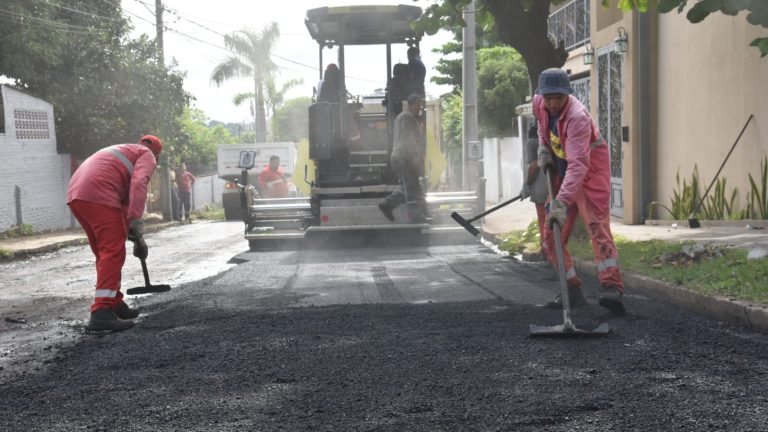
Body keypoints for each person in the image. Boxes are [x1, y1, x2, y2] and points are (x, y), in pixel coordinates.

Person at [533, 68, 625, 315]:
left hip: (590, 170)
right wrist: (543, 148)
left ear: (567, 95)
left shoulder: (577, 118)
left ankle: (611, 286)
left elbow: (579, 165)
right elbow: (542, 126)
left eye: (558, 98)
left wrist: (561, 203)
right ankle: (571, 289)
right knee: (550, 235)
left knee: (596, 225)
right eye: (548, 97)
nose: (552, 103)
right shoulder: (538, 102)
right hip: (566, 172)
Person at [66, 135, 163, 332]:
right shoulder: (147, 155)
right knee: (113, 253)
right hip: (99, 194)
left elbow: (124, 207)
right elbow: (138, 185)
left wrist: (137, 238)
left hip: (77, 195)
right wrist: (137, 220)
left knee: (105, 254)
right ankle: (101, 312)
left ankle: (114, 303)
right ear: (157, 156)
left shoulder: (124, 151)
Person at [378, 93, 431, 223]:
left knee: (408, 187)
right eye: (418, 104)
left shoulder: (401, 117)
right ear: (411, 104)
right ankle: (416, 217)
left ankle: (387, 204)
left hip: (400, 157)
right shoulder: (408, 118)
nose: (420, 107)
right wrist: (416, 157)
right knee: (412, 189)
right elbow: (409, 139)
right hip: (404, 158)